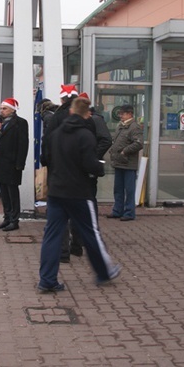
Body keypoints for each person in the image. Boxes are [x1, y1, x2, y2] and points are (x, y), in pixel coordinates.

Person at [38, 97, 121, 292]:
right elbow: (90, 164)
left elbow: (47, 156)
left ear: (70, 111)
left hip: (57, 190)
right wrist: (100, 168)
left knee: (52, 235)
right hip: (79, 192)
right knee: (90, 233)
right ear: (86, 114)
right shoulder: (85, 135)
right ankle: (104, 271)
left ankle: (47, 280)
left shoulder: (56, 133)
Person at [60, 92, 112, 262]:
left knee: (88, 206)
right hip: (75, 174)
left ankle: (87, 243)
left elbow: (105, 140)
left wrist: (93, 157)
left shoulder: (94, 121)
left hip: (85, 173)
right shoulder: (67, 126)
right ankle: (79, 243)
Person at [0, 97, 29, 232]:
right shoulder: (0, 123)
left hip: (12, 163)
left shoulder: (20, 123)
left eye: (4, 109)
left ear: (13, 109)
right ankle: (7, 217)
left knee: (12, 192)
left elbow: (23, 145)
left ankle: (14, 220)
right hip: (0, 162)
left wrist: (20, 163)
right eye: (1, 108)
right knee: (3, 192)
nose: (2, 111)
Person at [106, 104, 143, 221]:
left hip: (128, 164)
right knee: (118, 189)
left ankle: (129, 213)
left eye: (123, 113)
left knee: (129, 190)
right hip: (119, 163)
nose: (121, 116)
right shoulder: (121, 126)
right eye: (120, 114)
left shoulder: (134, 127)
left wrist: (124, 151)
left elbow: (138, 143)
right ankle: (117, 210)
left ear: (130, 114)